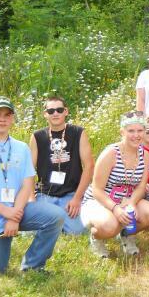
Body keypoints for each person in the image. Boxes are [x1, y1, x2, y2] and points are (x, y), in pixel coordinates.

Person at [0, 97, 65, 273]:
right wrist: (5, 212)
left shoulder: (21, 147)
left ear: (13, 118)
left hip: (17, 210)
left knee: (55, 216)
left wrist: (13, 216)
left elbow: (27, 184)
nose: (2, 119)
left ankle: (33, 266)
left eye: (7, 115)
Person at [80, 111, 149, 257]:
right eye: (131, 131)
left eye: (140, 130)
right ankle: (96, 238)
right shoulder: (110, 154)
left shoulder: (144, 155)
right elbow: (97, 190)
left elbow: (141, 186)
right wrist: (115, 209)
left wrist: (133, 203)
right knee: (109, 226)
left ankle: (126, 234)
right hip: (99, 200)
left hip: (126, 200)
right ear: (122, 132)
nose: (136, 135)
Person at [29, 96, 94, 235]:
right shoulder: (37, 136)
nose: (55, 113)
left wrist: (77, 198)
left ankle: (57, 221)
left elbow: (89, 166)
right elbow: (28, 171)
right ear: (45, 114)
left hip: (71, 194)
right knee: (31, 232)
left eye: (59, 110)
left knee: (78, 231)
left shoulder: (78, 133)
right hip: (45, 194)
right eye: (51, 111)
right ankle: (56, 221)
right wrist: (31, 199)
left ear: (66, 111)